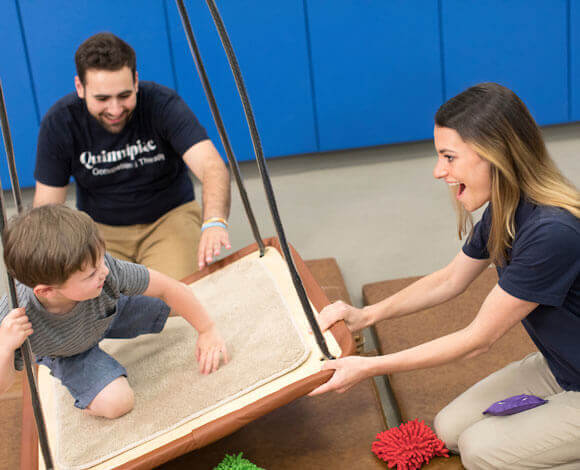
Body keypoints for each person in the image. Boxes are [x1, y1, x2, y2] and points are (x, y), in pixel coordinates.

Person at [310, 83, 580, 469]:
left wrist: (368, 367)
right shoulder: (507, 208)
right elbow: (450, 280)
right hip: (562, 367)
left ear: (495, 155)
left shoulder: (552, 231)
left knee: (481, 452)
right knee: (450, 428)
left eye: (449, 157)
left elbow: (477, 340)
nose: (439, 172)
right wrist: (365, 316)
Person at [33, 32, 231, 280]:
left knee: (177, 300)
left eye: (124, 96)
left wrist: (214, 221)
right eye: (102, 99)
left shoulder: (162, 104)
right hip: (100, 229)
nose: (115, 110)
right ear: (80, 88)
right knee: (103, 307)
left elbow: (212, 166)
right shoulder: (60, 122)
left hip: (169, 217)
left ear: (136, 81)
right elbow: (47, 208)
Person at [0, 204, 228, 419]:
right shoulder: (15, 317)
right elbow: (3, 386)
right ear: (47, 291)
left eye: (101, 260)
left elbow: (169, 288)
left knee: (183, 298)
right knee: (118, 403)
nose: (104, 271)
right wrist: (5, 346)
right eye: (90, 274)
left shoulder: (102, 269)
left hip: (110, 313)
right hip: (69, 353)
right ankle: (89, 395)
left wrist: (207, 330)